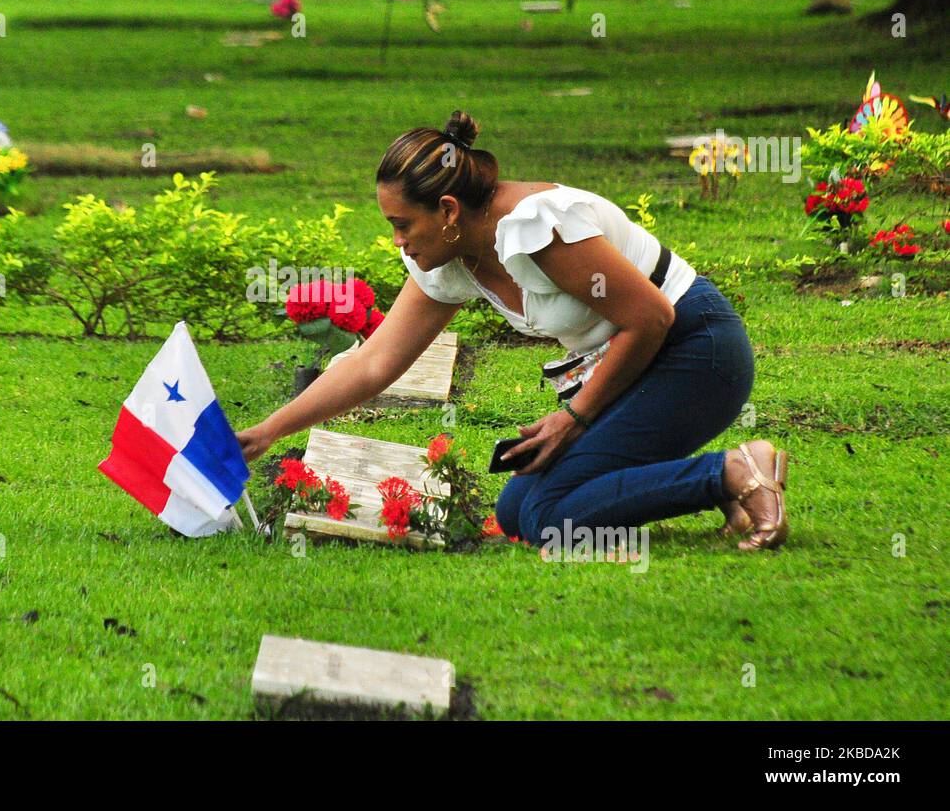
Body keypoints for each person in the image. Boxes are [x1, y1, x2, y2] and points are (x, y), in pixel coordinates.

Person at [235, 111, 789, 551]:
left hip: (696, 353)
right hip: (632, 367)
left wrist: (573, 419)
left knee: (549, 515)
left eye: (402, 225)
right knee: (516, 511)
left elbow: (651, 319)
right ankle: (722, 484)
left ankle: (732, 473)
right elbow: (374, 364)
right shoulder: (452, 259)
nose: (398, 242)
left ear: (448, 210)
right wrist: (268, 432)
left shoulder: (536, 228)